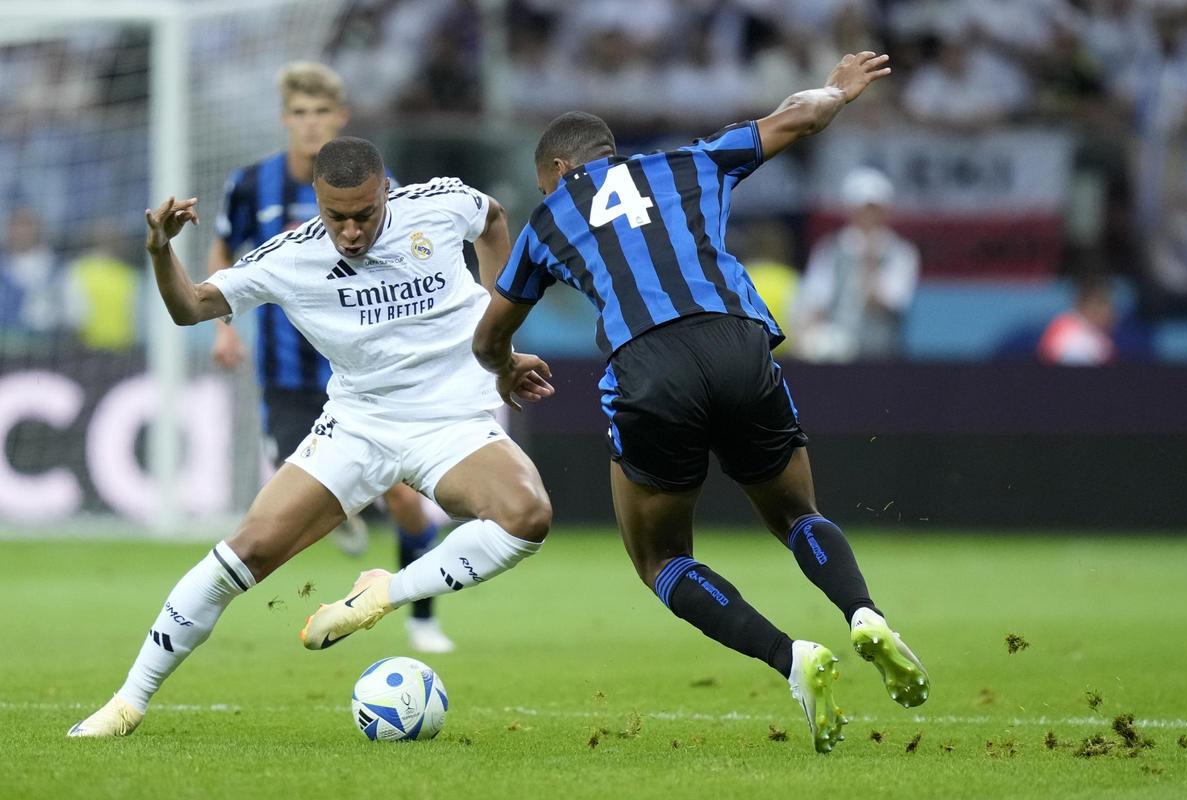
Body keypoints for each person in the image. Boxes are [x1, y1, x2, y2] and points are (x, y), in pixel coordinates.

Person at [473, 51, 928, 754]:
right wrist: (839, 92)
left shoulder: (548, 218)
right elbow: (797, 117)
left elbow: (491, 332)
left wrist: (504, 369)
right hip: (738, 343)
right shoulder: (689, 162)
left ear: (559, 172)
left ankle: (792, 659)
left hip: (651, 368)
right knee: (797, 513)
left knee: (659, 557)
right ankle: (863, 612)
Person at [68, 137, 554, 737]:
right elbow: (190, 306)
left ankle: (383, 594)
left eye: (365, 215)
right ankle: (127, 703)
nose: (350, 232)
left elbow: (494, 220)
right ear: (318, 203)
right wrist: (160, 248)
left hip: (450, 419)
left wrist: (498, 345)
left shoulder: (439, 204)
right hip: (358, 425)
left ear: (386, 194)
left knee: (527, 516)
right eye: (336, 217)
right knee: (244, 552)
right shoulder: (289, 257)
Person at [209, 62, 454, 652]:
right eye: (299, 113)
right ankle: (349, 514)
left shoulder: (375, 182)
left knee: (402, 495)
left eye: (321, 112)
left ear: (340, 118)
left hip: (365, 371)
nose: (310, 124)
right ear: (284, 120)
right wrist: (224, 326)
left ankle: (421, 614)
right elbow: (225, 245)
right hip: (288, 371)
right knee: (299, 485)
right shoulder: (251, 185)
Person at [792, 166, 920, 362]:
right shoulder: (831, 249)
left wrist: (869, 259)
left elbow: (889, 302)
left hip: (880, 356)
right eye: (862, 209)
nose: (868, 216)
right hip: (834, 356)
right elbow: (816, 300)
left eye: (874, 209)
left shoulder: (900, 253)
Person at [1037, 275, 1117, 365]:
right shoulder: (1072, 336)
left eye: (1110, 305)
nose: (1110, 312)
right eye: (1103, 304)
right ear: (1086, 305)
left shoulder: (1095, 334)